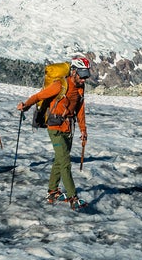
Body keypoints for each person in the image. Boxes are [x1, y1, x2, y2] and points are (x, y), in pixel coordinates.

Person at [17, 57, 91, 209]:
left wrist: (83, 130)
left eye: (87, 75)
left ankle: (52, 191)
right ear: (74, 71)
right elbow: (39, 96)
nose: (84, 79)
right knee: (65, 162)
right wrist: (26, 105)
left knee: (59, 159)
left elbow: (80, 110)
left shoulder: (80, 88)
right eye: (82, 75)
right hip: (55, 127)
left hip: (68, 127)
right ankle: (73, 197)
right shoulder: (60, 85)